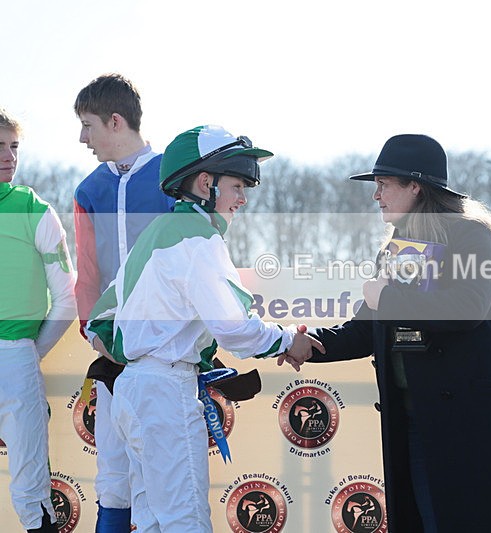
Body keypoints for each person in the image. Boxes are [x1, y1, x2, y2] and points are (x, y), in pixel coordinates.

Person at [296, 134, 491, 532]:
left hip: (474, 421)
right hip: (417, 419)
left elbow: (466, 310)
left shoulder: (471, 234)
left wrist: (386, 296)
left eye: (384, 184)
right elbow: (362, 330)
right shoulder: (395, 247)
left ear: (415, 186)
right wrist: (305, 345)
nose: (376, 196)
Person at [86, 125, 323, 532]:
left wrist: (140, 352)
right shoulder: (200, 240)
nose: (243, 199)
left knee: (153, 523)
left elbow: (98, 322)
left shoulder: (155, 235)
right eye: (238, 185)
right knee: (186, 522)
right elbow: (233, 328)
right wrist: (287, 340)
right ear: (205, 182)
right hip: (166, 393)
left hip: (133, 393)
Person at [72, 73, 175, 532]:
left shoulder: (174, 177)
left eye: (88, 125)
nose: (82, 138)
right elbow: (88, 275)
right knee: (113, 481)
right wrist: (97, 336)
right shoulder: (88, 190)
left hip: (165, 358)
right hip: (112, 357)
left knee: (162, 485)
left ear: (116, 122)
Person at [0, 108, 77, 532]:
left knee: (33, 497)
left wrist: (28, 351)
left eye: (14, 146)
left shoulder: (35, 209)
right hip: (18, 360)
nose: (9, 156)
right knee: (32, 493)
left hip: (17, 360)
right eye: (0, 145)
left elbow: (68, 299)